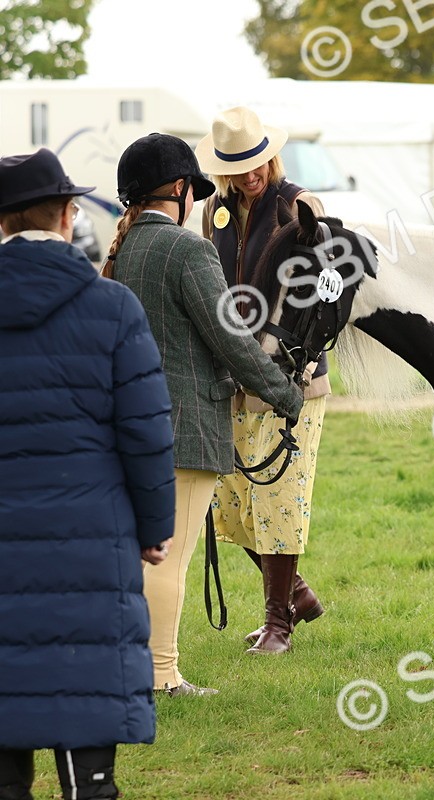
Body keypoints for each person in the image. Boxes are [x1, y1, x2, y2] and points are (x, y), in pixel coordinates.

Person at [0, 149, 174, 800]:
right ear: (70, 216)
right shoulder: (113, 309)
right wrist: (155, 528)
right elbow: (148, 432)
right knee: (88, 782)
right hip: (92, 556)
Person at [105, 133, 304, 693]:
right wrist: (286, 394)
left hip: (131, 425)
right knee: (169, 561)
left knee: (141, 558)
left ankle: (133, 667)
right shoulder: (186, 249)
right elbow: (232, 340)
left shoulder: (128, 250)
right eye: (191, 187)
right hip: (185, 426)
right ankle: (162, 675)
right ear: (178, 190)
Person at [198, 107, 330, 654]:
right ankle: (295, 592)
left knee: (278, 496)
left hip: (288, 375)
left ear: (271, 157)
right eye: (238, 167)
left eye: (257, 164)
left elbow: (326, 290)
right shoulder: (213, 211)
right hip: (231, 370)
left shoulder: (301, 206)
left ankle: (279, 622)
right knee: (230, 500)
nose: (250, 175)